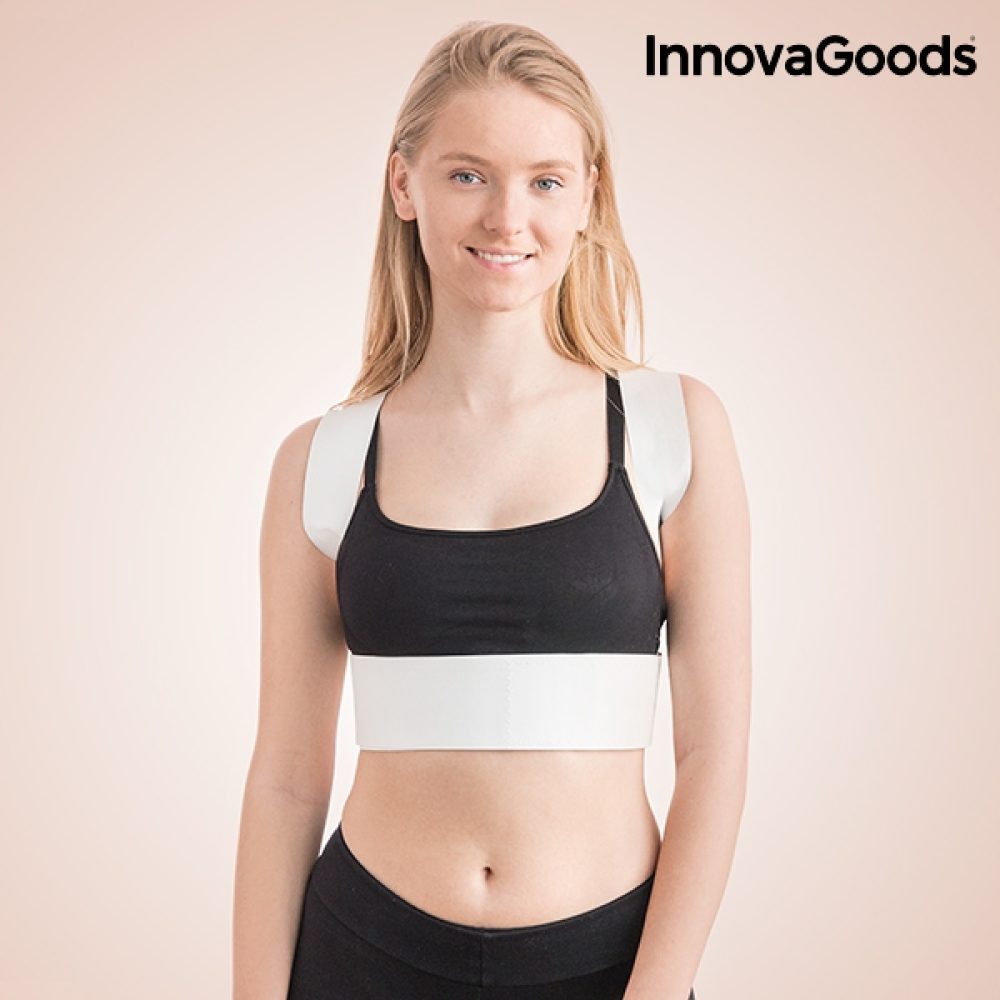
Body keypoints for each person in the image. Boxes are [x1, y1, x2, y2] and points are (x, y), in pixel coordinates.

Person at [233, 20, 751, 1000]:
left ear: (588, 195)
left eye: (545, 181)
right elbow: (287, 778)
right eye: (468, 174)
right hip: (362, 955)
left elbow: (712, 754)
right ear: (404, 185)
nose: (508, 217)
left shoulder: (673, 430)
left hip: (606, 962)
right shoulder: (323, 461)